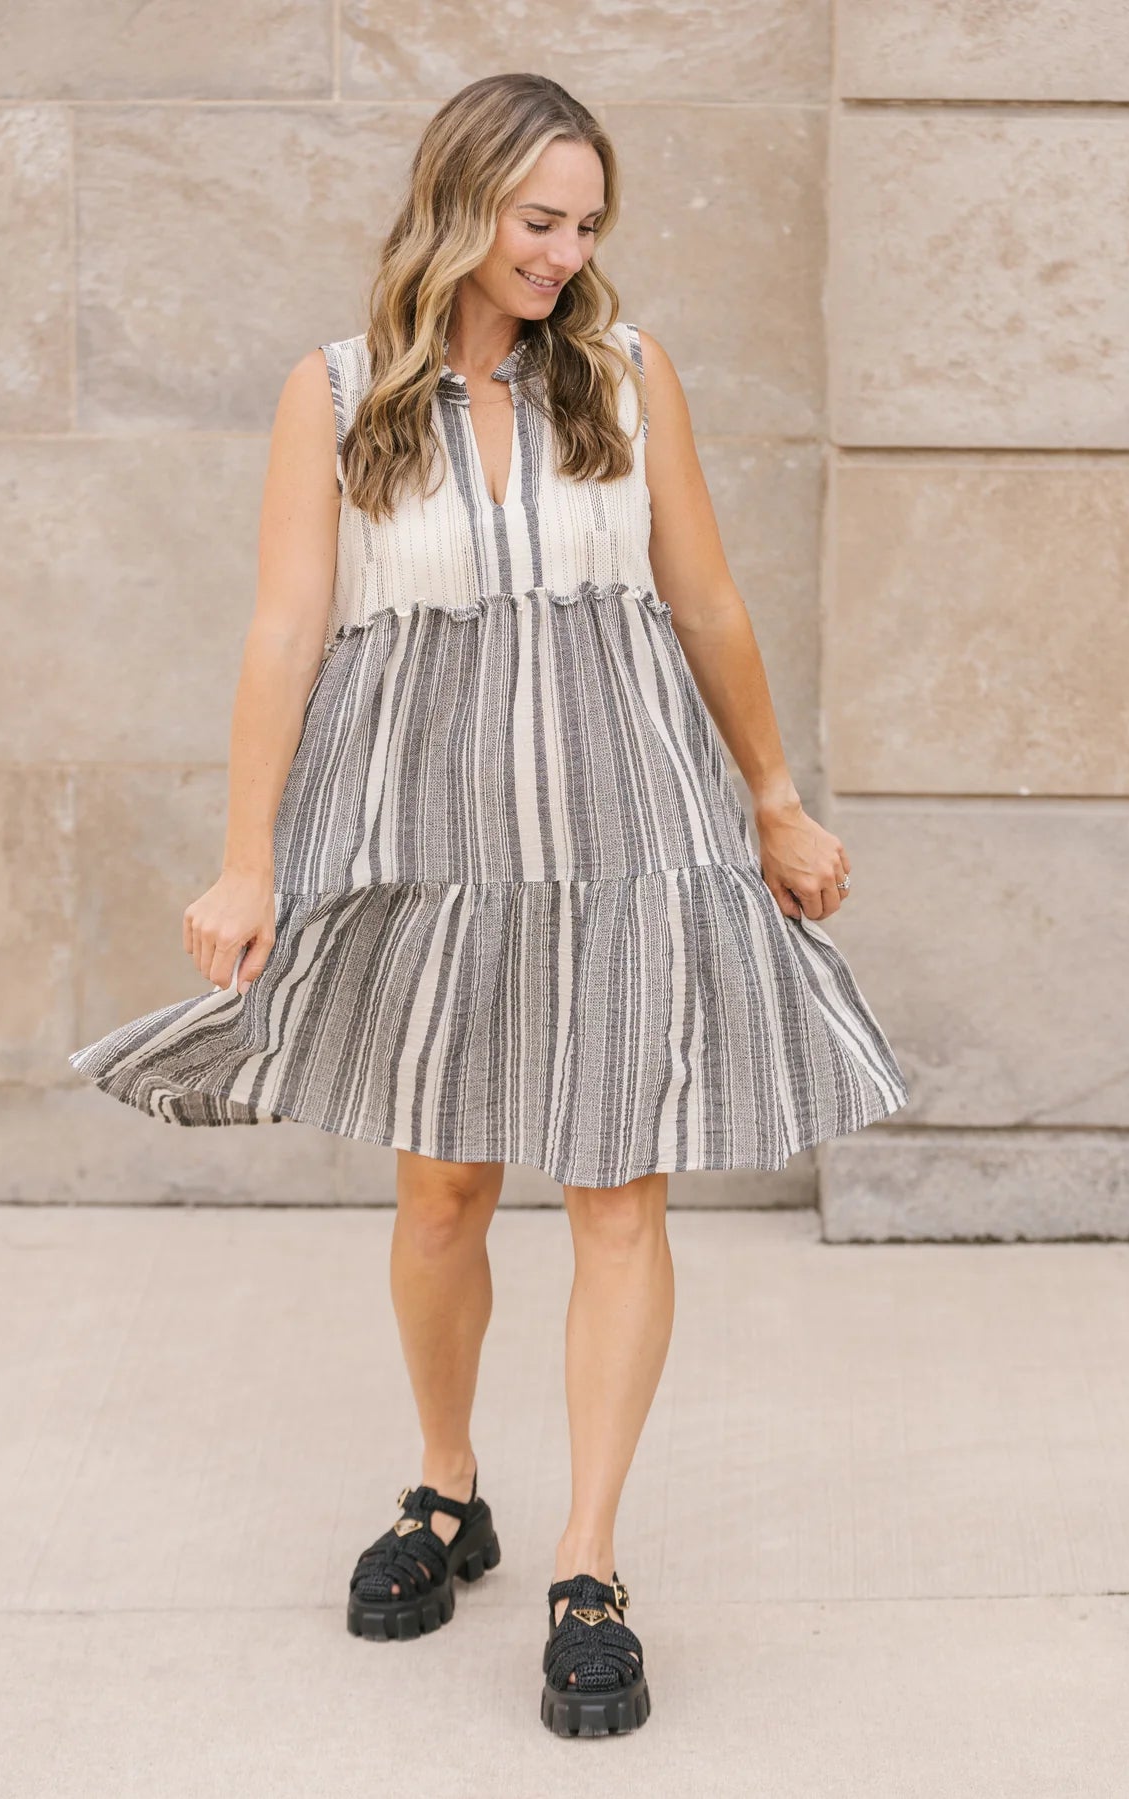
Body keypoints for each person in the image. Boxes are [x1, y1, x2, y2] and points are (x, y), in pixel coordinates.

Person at [68, 71, 910, 1738]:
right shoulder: (334, 395)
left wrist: (775, 799)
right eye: (541, 220)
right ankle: (449, 1489)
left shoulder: (622, 368)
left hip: (632, 825)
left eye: (588, 224)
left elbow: (707, 599)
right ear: (459, 203)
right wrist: (249, 857)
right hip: (423, 829)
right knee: (446, 1187)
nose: (566, 252)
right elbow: (285, 633)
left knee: (616, 1190)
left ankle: (589, 1562)